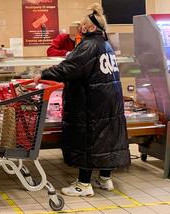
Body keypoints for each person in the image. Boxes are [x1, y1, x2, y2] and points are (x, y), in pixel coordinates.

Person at [35, 3, 130, 197]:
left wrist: (42, 74)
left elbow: (68, 68)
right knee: (107, 137)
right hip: (109, 99)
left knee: (88, 136)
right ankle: (104, 179)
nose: (81, 27)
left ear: (92, 27)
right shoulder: (105, 44)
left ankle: (83, 185)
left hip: (91, 101)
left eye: (84, 24)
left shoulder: (88, 45)